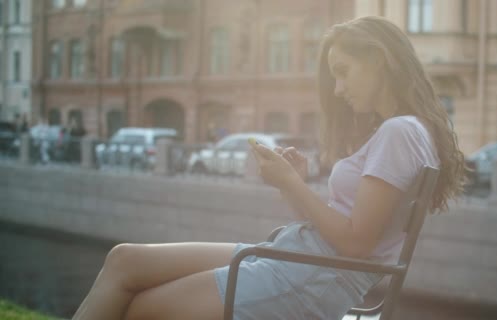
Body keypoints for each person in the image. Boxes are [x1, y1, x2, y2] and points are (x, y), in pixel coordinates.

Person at [71, 16, 466, 320]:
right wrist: (290, 185)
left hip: (308, 278)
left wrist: (292, 184)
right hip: (301, 261)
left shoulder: (400, 132)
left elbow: (357, 246)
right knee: (126, 259)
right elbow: (351, 239)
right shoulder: (407, 131)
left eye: (343, 72)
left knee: (140, 309)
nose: (339, 90)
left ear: (379, 59)